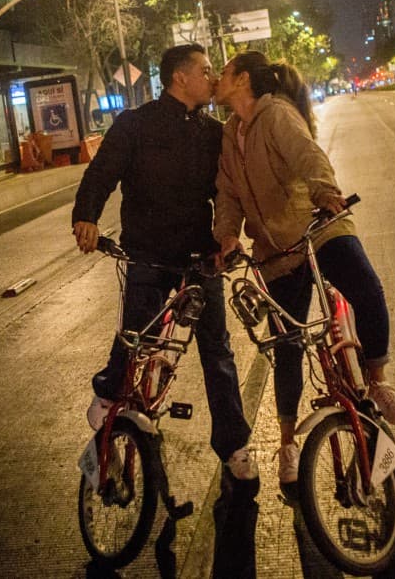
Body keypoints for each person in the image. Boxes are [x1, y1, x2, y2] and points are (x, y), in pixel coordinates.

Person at [212, 50, 395, 486]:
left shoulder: (277, 115)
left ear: (243, 80)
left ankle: (376, 379)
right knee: (286, 345)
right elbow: (226, 193)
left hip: (318, 226)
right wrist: (226, 236)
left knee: (367, 289)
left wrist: (324, 191)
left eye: (223, 72)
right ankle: (288, 444)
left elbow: (308, 155)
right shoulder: (230, 133)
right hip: (275, 251)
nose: (216, 78)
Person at [71, 44, 257, 484]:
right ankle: (108, 404)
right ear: (180, 77)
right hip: (149, 255)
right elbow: (101, 174)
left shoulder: (214, 133)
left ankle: (233, 446)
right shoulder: (135, 125)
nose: (212, 79)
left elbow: (228, 192)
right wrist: (86, 217)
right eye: (206, 71)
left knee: (219, 354)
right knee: (136, 339)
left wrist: (230, 238)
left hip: (199, 259)